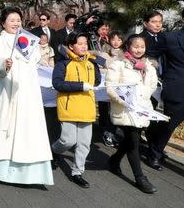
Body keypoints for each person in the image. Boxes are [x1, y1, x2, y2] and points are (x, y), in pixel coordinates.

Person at [0, 7, 53, 185]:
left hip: (27, 93)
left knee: (28, 129)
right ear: (3, 23)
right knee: (5, 125)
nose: (16, 23)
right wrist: (5, 64)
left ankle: (32, 172)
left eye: (18, 20)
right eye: (11, 20)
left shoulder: (27, 39)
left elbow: (34, 58)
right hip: (6, 93)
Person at [106, 34, 158, 194]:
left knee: (130, 140)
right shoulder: (119, 64)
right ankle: (140, 178)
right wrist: (127, 101)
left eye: (142, 47)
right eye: (135, 46)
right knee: (134, 141)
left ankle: (114, 160)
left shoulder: (148, 65)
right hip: (125, 109)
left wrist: (142, 99)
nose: (139, 49)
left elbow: (152, 85)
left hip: (142, 109)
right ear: (128, 46)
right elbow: (110, 87)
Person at [51, 32, 101, 189]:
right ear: (71, 46)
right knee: (68, 140)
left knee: (84, 144)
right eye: (80, 43)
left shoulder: (91, 63)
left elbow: (97, 81)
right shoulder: (63, 63)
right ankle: (53, 151)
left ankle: (77, 172)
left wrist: (96, 64)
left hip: (87, 106)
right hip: (69, 107)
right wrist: (80, 85)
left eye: (85, 43)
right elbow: (57, 84)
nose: (84, 46)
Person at [145, 11, 184, 171]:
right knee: (169, 124)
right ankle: (155, 153)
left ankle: (153, 139)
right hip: (176, 87)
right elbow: (149, 54)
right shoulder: (170, 38)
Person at [99, 30, 125, 147]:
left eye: (119, 39)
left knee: (115, 110)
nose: (116, 42)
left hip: (119, 86)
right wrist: (111, 71)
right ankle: (107, 133)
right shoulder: (104, 52)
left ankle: (109, 133)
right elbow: (99, 69)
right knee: (107, 110)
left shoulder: (125, 54)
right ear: (109, 40)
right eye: (114, 39)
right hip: (106, 85)